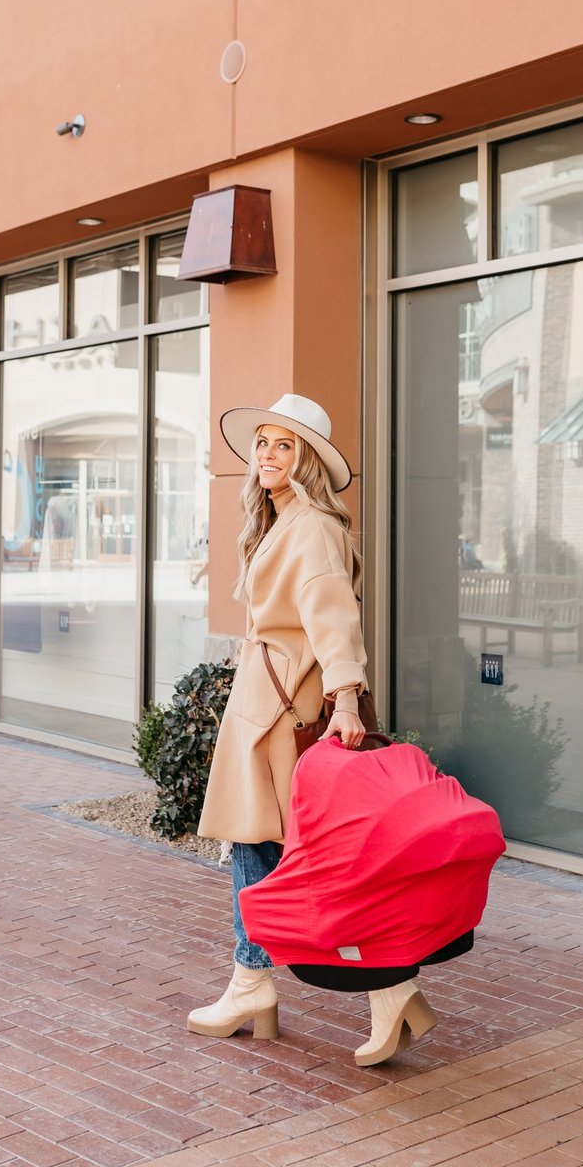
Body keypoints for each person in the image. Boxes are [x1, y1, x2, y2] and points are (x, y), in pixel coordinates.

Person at [186, 393, 438, 1065]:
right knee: (267, 846)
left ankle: (350, 986)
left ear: (307, 462)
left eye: (284, 445)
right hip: (266, 702)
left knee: (297, 852)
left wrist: (346, 698)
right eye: (262, 443)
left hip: (285, 710)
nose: (267, 455)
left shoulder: (313, 527)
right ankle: (278, 983)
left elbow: (334, 618)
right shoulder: (282, 521)